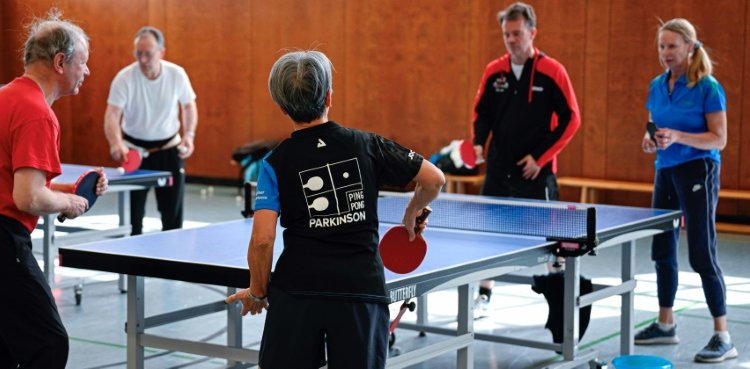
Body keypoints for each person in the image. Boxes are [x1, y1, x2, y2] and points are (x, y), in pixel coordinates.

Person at [225, 50, 445, 369]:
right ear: (329, 96)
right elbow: (434, 179)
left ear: (282, 105)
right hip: (361, 290)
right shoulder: (368, 145)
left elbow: (262, 240)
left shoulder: (274, 163)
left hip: (297, 292)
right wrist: (413, 210)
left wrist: (258, 292)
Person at [0, 10, 107, 368]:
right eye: (83, 63)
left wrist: (68, 190)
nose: (87, 71)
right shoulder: (37, 113)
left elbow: (16, 178)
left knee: (6, 344)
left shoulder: (6, 97)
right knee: (48, 343)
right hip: (4, 240)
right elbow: (27, 197)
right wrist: (69, 203)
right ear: (61, 62)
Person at [635, 18, 737, 363]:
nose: (665, 52)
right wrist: (652, 141)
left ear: (690, 48)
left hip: (698, 170)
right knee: (662, 249)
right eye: (661, 46)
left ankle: (722, 334)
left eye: (672, 46)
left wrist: (678, 136)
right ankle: (666, 324)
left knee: (700, 253)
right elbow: (654, 129)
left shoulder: (708, 87)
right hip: (665, 170)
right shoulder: (656, 85)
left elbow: (719, 139)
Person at [470, 1, 580, 309]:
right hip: (499, 168)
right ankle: (484, 295)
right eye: (507, 34)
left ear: (533, 32)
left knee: (551, 239)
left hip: (536, 170)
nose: (512, 40)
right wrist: (479, 142)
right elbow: (482, 114)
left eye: (517, 33)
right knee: (488, 236)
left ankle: (559, 301)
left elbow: (572, 119)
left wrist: (540, 158)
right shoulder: (494, 72)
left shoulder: (552, 71)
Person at [104, 26, 198, 235]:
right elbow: (112, 113)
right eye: (138, 53)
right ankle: (134, 263)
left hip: (169, 149)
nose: (143, 59)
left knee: (172, 216)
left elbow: (189, 105)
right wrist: (115, 142)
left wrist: (189, 135)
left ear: (161, 52)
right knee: (133, 219)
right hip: (134, 151)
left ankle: (172, 262)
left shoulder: (176, 74)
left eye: (148, 53)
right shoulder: (124, 77)